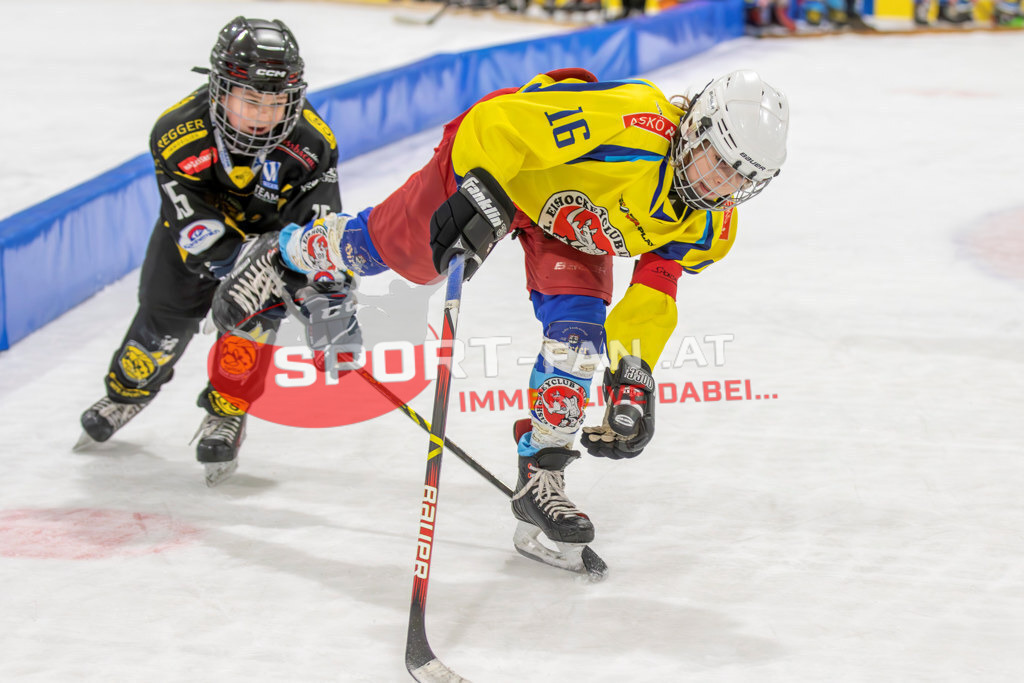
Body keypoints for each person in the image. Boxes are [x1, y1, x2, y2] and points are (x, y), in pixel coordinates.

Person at [217, 68, 789, 568]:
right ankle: (285, 254)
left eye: (741, 178)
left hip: (568, 223)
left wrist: (632, 378)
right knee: (381, 253)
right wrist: (481, 192)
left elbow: (652, 294)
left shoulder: (711, 222)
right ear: (695, 128)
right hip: (501, 172)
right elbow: (495, 124)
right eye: (717, 160)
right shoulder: (631, 123)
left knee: (580, 338)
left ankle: (543, 472)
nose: (720, 184)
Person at [76, 16, 345, 486]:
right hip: (190, 249)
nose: (264, 114)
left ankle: (227, 412)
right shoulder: (176, 133)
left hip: (269, 254)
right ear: (220, 91)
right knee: (160, 325)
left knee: (247, 338)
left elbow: (318, 230)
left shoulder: (313, 145)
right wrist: (240, 262)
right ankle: (127, 391)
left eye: (277, 101)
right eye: (251, 100)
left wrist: (324, 296)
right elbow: (191, 223)